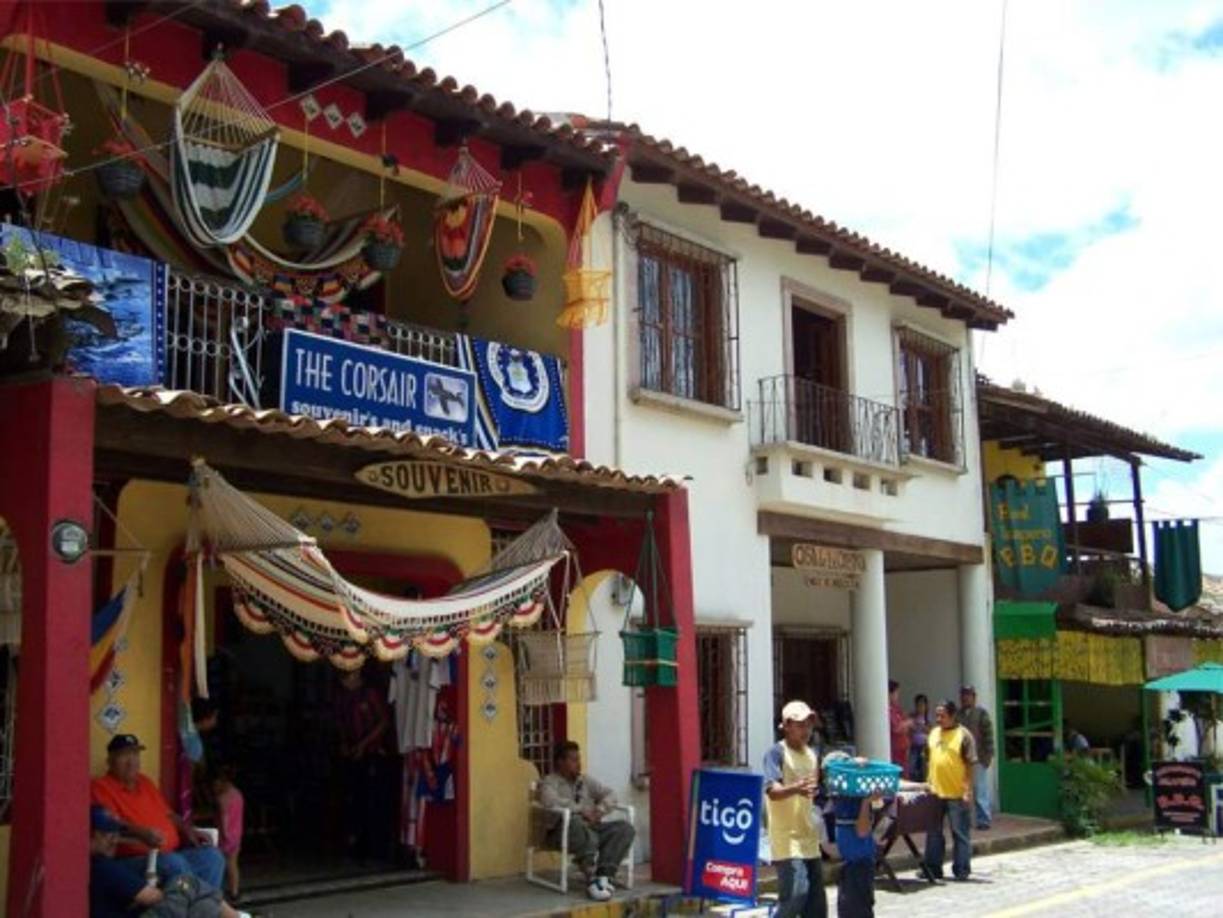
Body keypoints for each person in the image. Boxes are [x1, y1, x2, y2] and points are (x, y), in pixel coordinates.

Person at [91, 734, 225, 889]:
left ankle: (203, 908)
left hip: (168, 854)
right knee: (173, 863)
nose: (131, 761)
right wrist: (142, 833)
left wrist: (187, 828)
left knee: (212, 857)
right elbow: (112, 825)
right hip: (134, 859)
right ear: (110, 760)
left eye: (135, 754)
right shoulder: (100, 787)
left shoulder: (145, 782)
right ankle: (195, 907)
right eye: (124, 755)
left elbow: (168, 814)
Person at [90, 804, 247, 918]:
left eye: (115, 834)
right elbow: (154, 897)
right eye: (106, 835)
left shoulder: (101, 864)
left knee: (211, 860)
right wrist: (186, 893)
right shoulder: (103, 867)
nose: (114, 840)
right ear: (89, 836)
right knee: (188, 886)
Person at [538, 740, 636, 902]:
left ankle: (604, 875)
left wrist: (599, 811)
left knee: (625, 828)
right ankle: (589, 873)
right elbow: (549, 800)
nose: (579, 764)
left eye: (579, 759)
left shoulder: (585, 781)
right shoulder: (551, 781)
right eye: (573, 760)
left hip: (592, 828)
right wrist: (580, 810)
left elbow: (611, 794)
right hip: (563, 833)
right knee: (576, 822)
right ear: (561, 762)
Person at [763, 700, 827, 918]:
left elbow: (814, 788)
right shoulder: (775, 753)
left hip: (808, 836)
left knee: (817, 906)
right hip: (786, 839)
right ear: (787, 725)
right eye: (800, 725)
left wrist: (813, 792)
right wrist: (796, 789)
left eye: (809, 725)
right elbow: (773, 790)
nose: (806, 731)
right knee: (796, 895)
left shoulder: (812, 755)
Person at [333, 665, 393, 862]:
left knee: (373, 802)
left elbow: (384, 722)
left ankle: (374, 851)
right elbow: (340, 722)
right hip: (352, 755)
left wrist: (363, 745)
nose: (346, 683)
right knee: (352, 801)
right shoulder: (342, 696)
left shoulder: (370, 694)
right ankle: (353, 847)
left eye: (348, 678)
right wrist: (344, 743)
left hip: (373, 754)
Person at [922, 700, 977, 882]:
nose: (939, 719)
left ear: (953, 716)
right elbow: (928, 759)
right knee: (933, 833)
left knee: (959, 833)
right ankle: (933, 868)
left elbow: (970, 765)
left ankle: (961, 869)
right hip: (935, 792)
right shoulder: (933, 733)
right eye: (937, 715)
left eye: (942, 716)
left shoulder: (964, 735)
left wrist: (967, 790)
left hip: (956, 793)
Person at [957, 684, 995, 830]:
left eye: (968, 695)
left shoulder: (981, 714)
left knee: (980, 790)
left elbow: (988, 736)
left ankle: (983, 819)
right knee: (963, 791)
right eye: (963, 695)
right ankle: (963, 820)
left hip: (978, 758)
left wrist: (989, 755)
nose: (965, 698)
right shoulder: (958, 715)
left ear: (974, 697)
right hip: (962, 759)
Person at [213, 764, 244, 903]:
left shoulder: (223, 798)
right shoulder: (238, 794)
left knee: (219, 864)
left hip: (225, 836)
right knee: (233, 864)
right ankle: (234, 891)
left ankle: (217, 891)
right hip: (236, 834)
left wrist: (224, 834)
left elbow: (224, 818)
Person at [887, 681, 913, 776]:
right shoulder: (887, 710)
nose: (897, 696)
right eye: (896, 693)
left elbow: (904, 723)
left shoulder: (897, 708)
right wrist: (907, 723)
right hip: (895, 751)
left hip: (903, 749)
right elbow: (896, 728)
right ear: (889, 694)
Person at [909, 694, 931, 780]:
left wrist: (922, 727)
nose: (920, 707)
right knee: (912, 767)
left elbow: (931, 731)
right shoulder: (912, 716)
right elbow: (909, 730)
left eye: (922, 705)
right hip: (914, 746)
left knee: (924, 768)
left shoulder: (928, 718)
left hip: (924, 746)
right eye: (918, 705)